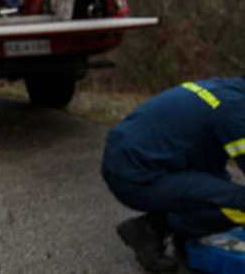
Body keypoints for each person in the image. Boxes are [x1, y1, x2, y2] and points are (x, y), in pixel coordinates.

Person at [102, 76, 245, 272]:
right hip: (138, 177)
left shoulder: (224, 89)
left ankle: (180, 230)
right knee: (238, 204)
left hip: (128, 162)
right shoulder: (235, 112)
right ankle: (154, 228)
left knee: (221, 192)